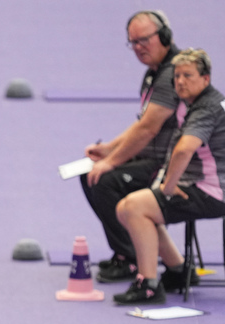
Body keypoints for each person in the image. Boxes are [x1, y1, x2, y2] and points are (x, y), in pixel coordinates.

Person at [113, 48, 225, 305]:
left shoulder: (205, 109)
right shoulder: (217, 101)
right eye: (176, 76)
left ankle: (149, 285)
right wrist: (219, 160)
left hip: (212, 193)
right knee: (127, 209)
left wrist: (168, 186)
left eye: (188, 75)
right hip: (219, 187)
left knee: (132, 207)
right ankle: (177, 270)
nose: (180, 82)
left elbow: (184, 148)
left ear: (205, 79)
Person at [80, 11, 182, 284]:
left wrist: (111, 162)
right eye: (133, 42)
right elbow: (142, 124)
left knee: (103, 180)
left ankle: (128, 256)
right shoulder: (154, 73)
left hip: (169, 165)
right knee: (90, 171)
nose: (138, 48)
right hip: (152, 157)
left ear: (164, 37)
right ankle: (126, 252)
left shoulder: (173, 74)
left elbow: (149, 129)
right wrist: (110, 149)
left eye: (144, 40)